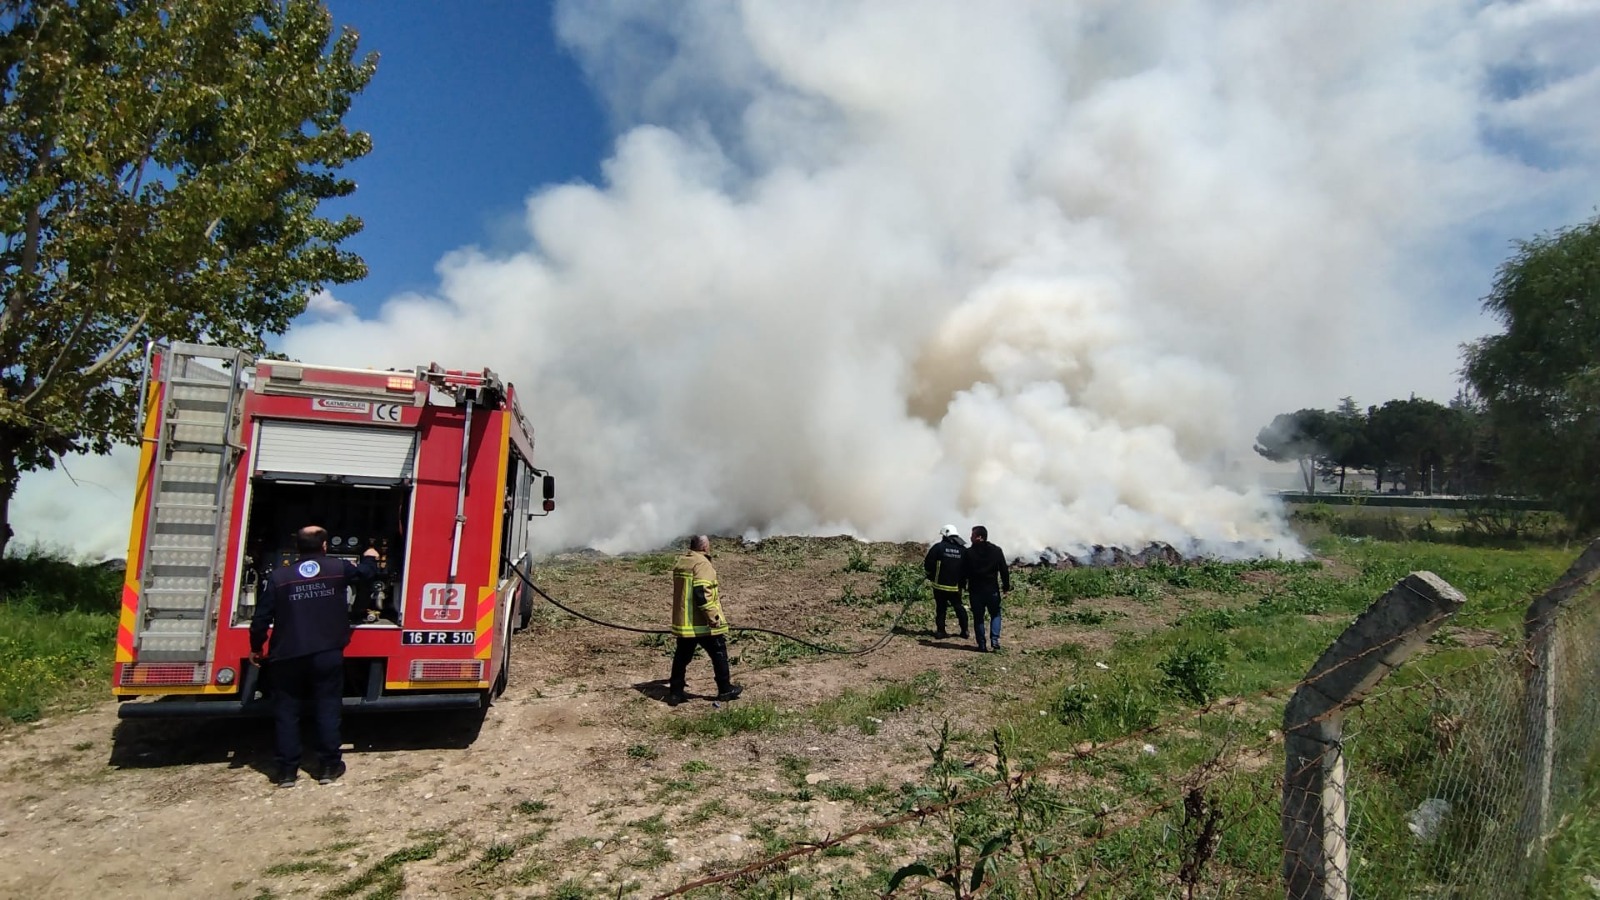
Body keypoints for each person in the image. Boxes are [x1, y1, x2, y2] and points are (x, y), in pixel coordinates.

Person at [250, 525, 379, 787]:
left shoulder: (279, 577)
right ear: (324, 546)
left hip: (286, 654)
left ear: (297, 547)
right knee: (327, 707)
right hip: (325, 653)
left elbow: (261, 617)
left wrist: (256, 646)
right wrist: (371, 556)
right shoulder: (338, 568)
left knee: (287, 712)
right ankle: (329, 767)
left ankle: (287, 772)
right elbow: (366, 574)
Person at [666, 535, 742, 705]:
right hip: (701, 622)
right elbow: (701, 592)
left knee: (681, 657)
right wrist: (712, 617)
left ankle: (675, 693)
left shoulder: (683, 562)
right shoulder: (702, 564)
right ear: (705, 547)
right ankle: (725, 689)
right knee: (719, 653)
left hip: (685, 623)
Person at [964, 525, 1011, 653]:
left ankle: (982, 645)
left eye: (972, 535)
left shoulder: (968, 553)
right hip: (992, 590)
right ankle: (995, 640)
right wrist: (1006, 587)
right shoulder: (996, 551)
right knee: (995, 614)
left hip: (975, 591)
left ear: (979, 537)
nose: (970, 537)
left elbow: (963, 572)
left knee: (978, 617)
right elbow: (1004, 570)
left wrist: (962, 586)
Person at [923, 524, 970, 640]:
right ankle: (965, 631)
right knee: (959, 607)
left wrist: (930, 575)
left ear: (944, 535)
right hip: (955, 587)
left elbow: (928, 563)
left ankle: (940, 631)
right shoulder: (963, 550)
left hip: (939, 586)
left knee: (941, 608)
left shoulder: (938, 547)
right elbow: (967, 568)